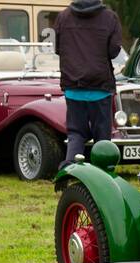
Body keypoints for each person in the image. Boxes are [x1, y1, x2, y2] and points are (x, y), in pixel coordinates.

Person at [54, 0, 122, 168]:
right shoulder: (110, 18)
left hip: (73, 86)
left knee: (76, 133)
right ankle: (104, 173)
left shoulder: (63, 17)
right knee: (102, 138)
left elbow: (57, 49)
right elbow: (114, 51)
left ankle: (70, 169)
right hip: (100, 87)